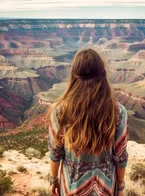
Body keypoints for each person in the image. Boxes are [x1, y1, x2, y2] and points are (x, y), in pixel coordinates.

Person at [47, 49, 128, 196]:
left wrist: (54, 180)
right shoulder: (118, 112)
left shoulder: (60, 111)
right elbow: (120, 156)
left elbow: (55, 152)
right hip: (106, 188)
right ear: (103, 75)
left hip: (72, 188)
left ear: (74, 75)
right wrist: (121, 186)